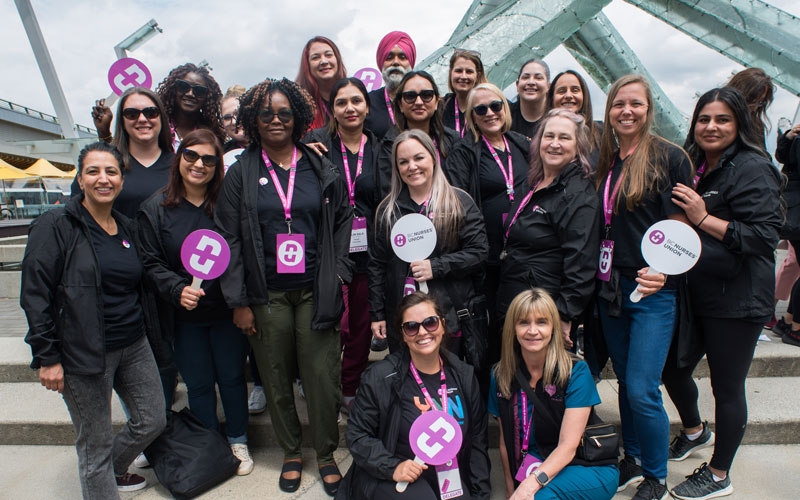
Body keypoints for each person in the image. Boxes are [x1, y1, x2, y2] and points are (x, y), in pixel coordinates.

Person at [215, 78, 352, 497]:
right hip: (265, 294)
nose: (275, 120)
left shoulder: (319, 164)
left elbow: (344, 216)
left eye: (284, 113)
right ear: (254, 121)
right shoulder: (240, 172)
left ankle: (326, 454)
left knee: (322, 377)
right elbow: (229, 238)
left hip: (316, 288)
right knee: (274, 377)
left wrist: (341, 271)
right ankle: (292, 451)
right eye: (266, 114)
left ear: (297, 117)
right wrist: (238, 301)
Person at [22, 142, 166, 497]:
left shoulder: (127, 226)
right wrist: (47, 356)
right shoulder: (56, 225)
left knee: (152, 420)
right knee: (95, 442)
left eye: (111, 171)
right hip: (81, 351)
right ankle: (102, 479)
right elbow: (35, 294)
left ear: (121, 180)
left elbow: (146, 278)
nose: (103, 179)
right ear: (81, 179)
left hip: (133, 342)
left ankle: (112, 471)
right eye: (93, 171)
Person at [661, 87, 781, 500]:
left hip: (738, 298)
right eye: (704, 119)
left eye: (722, 120)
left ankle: (718, 474)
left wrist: (703, 218)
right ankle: (695, 431)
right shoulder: (693, 164)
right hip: (696, 290)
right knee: (672, 369)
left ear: (739, 124)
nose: (711, 127)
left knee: (727, 387)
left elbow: (763, 238)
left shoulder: (753, 167)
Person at [594, 74, 693, 500]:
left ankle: (655, 475)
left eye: (635, 103)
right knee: (624, 384)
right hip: (611, 288)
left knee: (641, 387)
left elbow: (683, 224)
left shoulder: (670, 157)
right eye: (619, 104)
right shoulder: (607, 160)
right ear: (609, 111)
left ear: (648, 109)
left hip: (653, 290)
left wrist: (667, 272)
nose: (627, 111)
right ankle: (632, 459)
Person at [137, 129, 254, 476]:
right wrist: (176, 289)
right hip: (183, 317)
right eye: (191, 156)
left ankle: (237, 438)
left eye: (209, 159)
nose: (198, 165)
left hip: (225, 311)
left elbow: (245, 253)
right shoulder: (155, 209)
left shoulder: (228, 206)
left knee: (232, 377)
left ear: (218, 165)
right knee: (198, 383)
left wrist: (241, 301)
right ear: (179, 158)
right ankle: (208, 442)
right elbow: (150, 261)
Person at [339, 292, 491, 500]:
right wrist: (392, 467)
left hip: (447, 473)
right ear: (402, 334)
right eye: (411, 326)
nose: (422, 332)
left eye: (430, 322)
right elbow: (357, 435)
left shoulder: (463, 375)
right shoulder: (380, 377)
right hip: (394, 474)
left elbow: (477, 441)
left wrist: (480, 494)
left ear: (443, 325)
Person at [303, 77, 387, 412]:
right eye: (341, 102)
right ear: (331, 109)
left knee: (362, 326)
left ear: (367, 107)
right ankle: (322, 384)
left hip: (370, 249)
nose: (350, 108)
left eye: (356, 101)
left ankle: (350, 386)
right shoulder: (316, 147)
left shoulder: (383, 148)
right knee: (330, 323)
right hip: (330, 249)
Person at [368, 129, 488, 364]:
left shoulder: (458, 202)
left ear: (433, 158)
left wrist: (437, 266)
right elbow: (377, 265)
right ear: (397, 168)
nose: (412, 166)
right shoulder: (388, 210)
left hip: (450, 314)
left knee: (453, 379)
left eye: (418, 158)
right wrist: (377, 314)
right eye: (403, 162)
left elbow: (479, 252)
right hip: (404, 318)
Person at [490, 288, 618, 500]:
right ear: (512, 328)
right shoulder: (501, 374)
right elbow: (504, 442)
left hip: (585, 464)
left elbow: (568, 446)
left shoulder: (575, 371)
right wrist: (511, 487)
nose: (533, 330)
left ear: (553, 328)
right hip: (535, 462)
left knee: (541, 497)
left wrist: (529, 485)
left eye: (541, 322)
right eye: (523, 322)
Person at [496, 109, 600, 352]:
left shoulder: (578, 194)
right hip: (516, 297)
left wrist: (564, 315)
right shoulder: (533, 182)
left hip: (544, 311)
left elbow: (581, 261)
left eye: (564, 138)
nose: (554, 144)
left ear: (578, 146)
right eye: (548, 136)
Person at [447, 82, 531, 368]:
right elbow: (457, 203)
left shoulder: (522, 144)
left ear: (505, 107)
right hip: (488, 259)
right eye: (480, 109)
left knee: (521, 324)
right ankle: (493, 396)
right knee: (492, 329)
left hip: (522, 255)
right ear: (471, 116)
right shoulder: (464, 151)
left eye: (495, 105)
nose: (490, 113)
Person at [93, 63, 225, 152]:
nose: (190, 94)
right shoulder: (153, 125)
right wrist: (104, 132)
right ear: (173, 89)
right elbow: (121, 156)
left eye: (199, 90)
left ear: (207, 97)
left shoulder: (210, 135)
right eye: (183, 87)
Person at [84, 87, 174, 218]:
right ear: (122, 121)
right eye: (132, 114)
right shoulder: (106, 165)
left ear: (161, 118)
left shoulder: (180, 166)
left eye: (151, 112)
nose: (142, 119)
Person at [380, 71, 460, 179]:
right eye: (410, 96)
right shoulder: (390, 145)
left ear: (436, 102)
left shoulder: (453, 140)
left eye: (426, 95)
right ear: (400, 105)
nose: (418, 102)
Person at [364, 31, 417, 139]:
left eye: (402, 57)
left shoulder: (423, 100)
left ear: (410, 62)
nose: (396, 62)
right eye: (389, 57)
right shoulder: (367, 103)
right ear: (381, 63)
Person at [296, 36, 348, 130]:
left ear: (337, 59)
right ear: (307, 65)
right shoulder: (299, 104)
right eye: (316, 58)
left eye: (328, 55)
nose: (324, 61)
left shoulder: (352, 96)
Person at [547, 70, 602, 152]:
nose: (568, 95)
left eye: (575, 90)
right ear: (552, 99)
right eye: (561, 91)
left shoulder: (601, 132)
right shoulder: (542, 135)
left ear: (584, 95)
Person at [726, 67, 774, 150]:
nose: (755, 107)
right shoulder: (716, 119)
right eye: (752, 101)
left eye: (760, 102)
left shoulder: (756, 126)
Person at [442, 49, 487, 138]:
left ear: (477, 76)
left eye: (469, 72)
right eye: (458, 71)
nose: (463, 76)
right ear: (450, 73)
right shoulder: (440, 107)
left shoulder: (491, 106)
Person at [510, 59, 551, 139]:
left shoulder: (557, 117)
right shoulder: (505, 116)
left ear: (548, 86)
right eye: (525, 77)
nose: (531, 82)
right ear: (517, 85)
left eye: (538, 78)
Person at [222, 84, 248, 152]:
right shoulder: (221, 156)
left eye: (238, 114)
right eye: (227, 117)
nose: (234, 122)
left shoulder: (274, 145)